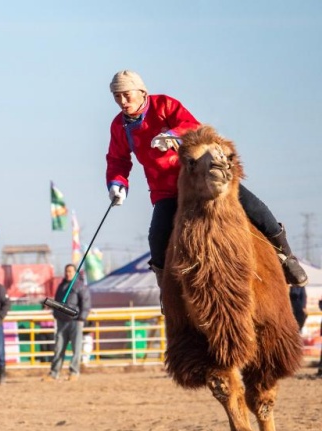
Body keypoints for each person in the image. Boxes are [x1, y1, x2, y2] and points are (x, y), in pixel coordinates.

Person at [105, 71, 307, 307]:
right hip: (165, 190)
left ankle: (286, 257)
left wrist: (172, 135)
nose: (122, 101)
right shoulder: (119, 126)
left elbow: (192, 125)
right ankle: (166, 290)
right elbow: (117, 159)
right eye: (117, 96)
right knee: (157, 237)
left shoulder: (164, 105)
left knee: (254, 206)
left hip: (197, 177)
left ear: (142, 92)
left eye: (127, 95)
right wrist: (117, 183)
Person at [46, 264, 91, 381]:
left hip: (75, 321)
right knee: (58, 348)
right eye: (66, 271)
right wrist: (56, 314)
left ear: (75, 273)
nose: (68, 273)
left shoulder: (80, 286)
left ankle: (74, 372)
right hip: (62, 321)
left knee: (76, 348)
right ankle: (54, 373)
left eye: (70, 271)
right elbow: (57, 302)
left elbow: (86, 303)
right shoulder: (61, 286)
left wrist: (81, 318)